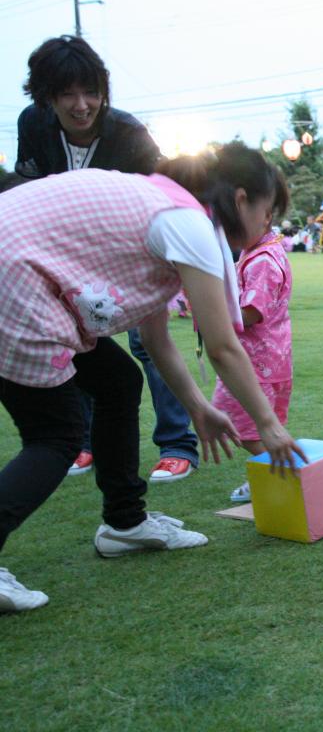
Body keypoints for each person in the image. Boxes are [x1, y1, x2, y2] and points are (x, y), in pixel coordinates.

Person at [0, 143, 305, 613]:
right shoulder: (190, 225)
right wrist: (268, 425)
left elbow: (156, 338)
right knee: (56, 436)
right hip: (14, 282)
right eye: (268, 212)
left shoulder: (163, 210)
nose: (268, 225)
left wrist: (198, 407)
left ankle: (124, 522)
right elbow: (223, 346)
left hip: (22, 276)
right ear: (242, 199)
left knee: (117, 380)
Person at [14, 34, 201, 483]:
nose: (81, 105)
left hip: (126, 251)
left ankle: (177, 444)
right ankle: (83, 442)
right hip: (58, 257)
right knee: (69, 343)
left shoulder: (129, 133)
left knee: (148, 344)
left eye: (91, 91)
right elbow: (26, 189)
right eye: (67, 94)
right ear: (47, 96)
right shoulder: (34, 124)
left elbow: (162, 198)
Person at [220, 195, 296, 503]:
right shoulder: (263, 251)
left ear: (265, 216)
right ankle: (273, 478)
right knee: (263, 426)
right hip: (273, 359)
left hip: (254, 363)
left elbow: (252, 312)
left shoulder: (262, 260)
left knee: (243, 428)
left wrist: (213, 312)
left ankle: (288, 478)